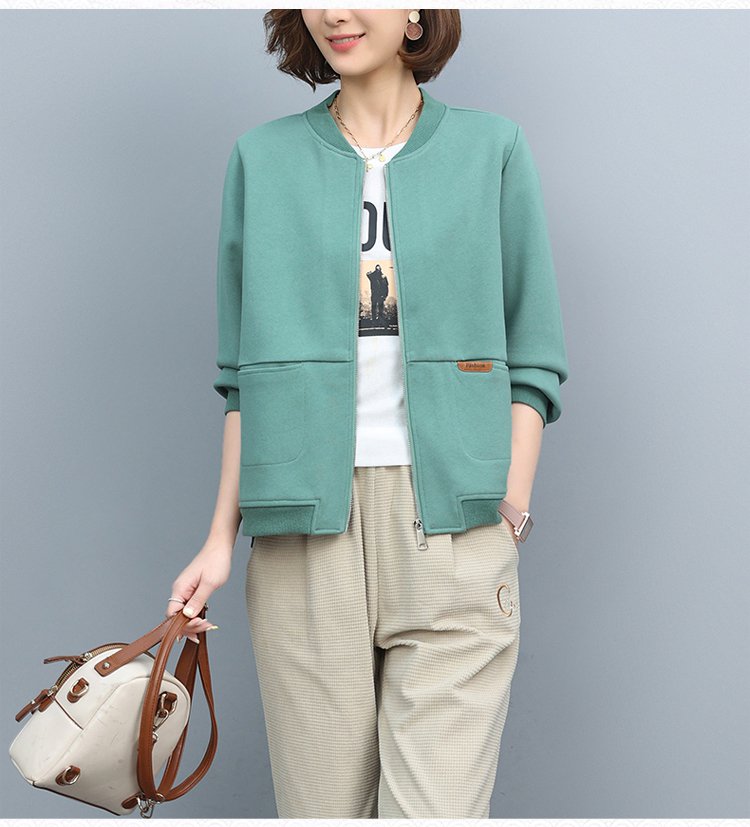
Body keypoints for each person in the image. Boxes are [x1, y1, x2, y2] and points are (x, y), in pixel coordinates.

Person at [165, 8, 569, 819]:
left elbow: (533, 353)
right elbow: (243, 378)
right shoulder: (263, 160)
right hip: (301, 539)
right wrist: (219, 538)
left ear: (418, 9)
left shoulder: (492, 149)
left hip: (453, 527)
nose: (335, 13)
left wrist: (509, 504)